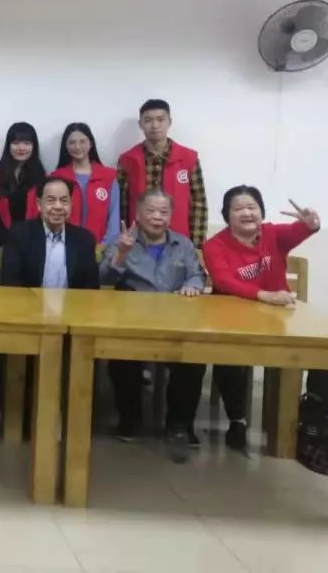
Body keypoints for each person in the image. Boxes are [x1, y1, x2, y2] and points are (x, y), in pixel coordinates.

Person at [203, 186, 325, 454]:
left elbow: (299, 231)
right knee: (229, 357)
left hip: (277, 317)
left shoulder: (273, 234)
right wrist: (264, 295)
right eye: (238, 208)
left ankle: (318, 421)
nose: (247, 213)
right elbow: (224, 281)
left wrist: (311, 224)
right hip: (232, 317)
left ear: (261, 211)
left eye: (252, 207)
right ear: (226, 214)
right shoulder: (214, 245)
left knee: (325, 353)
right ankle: (237, 421)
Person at [100, 188, 206, 461]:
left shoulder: (183, 244)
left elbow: (197, 274)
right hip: (132, 323)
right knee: (121, 359)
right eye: (151, 211)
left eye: (164, 212)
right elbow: (104, 278)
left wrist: (192, 286)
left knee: (194, 359)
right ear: (138, 214)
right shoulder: (123, 241)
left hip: (175, 324)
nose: (157, 217)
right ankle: (130, 419)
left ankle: (179, 425)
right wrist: (121, 254)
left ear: (171, 216)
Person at [117, 99, 207, 247]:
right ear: (140, 124)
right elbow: (122, 205)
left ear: (169, 122)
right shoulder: (128, 159)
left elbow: (199, 203)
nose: (154, 125)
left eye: (160, 119)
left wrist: (196, 245)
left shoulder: (188, 158)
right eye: (148, 120)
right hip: (138, 242)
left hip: (178, 242)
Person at [0, 177, 99, 290]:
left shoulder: (84, 239)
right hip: (28, 300)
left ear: (71, 204)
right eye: (51, 200)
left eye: (64, 201)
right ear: (39, 204)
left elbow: (91, 288)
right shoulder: (20, 234)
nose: (58, 206)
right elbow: (10, 282)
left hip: (73, 301)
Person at [0, 122, 47, 243]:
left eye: (27, 143)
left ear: (34, 147)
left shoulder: (42, 179)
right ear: (8, 146)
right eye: (16, 142)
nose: (21, 148)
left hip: (33, 242)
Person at [52, 122, 120, 245]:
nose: (77, 147)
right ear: (65, 146)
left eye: (82, 141)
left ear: (91, 143)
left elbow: (114, 220)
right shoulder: (56, 178)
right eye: (72, 142)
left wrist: (102, 248)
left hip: (101, 249)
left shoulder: (108, 177)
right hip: (64, 248)